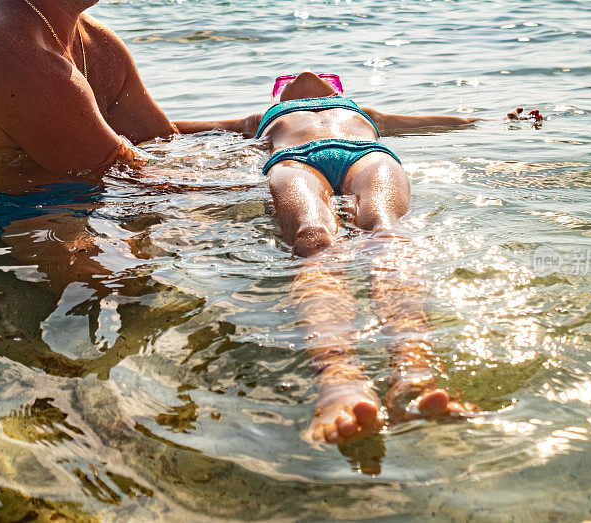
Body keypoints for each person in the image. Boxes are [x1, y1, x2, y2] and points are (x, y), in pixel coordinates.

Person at [221, 72, 541, 443]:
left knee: (386, 232)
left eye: (325, 77)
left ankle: (414, 373)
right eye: (290, 80)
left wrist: (496, 121)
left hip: (368, 158)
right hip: (293, 162)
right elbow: (173, 127)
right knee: (313, 239)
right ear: (278, 96)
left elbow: (439, 122)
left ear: (338, 91)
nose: (307, 74)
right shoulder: (257, 121)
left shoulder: (364, 112)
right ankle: (338, 382)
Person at [0, 0, 252, 183]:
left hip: (55, 199)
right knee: (121, 278)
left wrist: (251, 126)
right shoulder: (17, 59)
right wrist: (267, 177)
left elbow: (161, 140)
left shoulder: (98, 45)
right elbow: (133, 176)